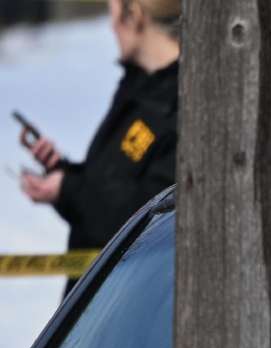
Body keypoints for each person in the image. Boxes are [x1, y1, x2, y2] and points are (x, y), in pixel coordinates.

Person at [18, 0, 180, 292]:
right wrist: (63, 172)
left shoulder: (182, 101)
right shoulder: (137, 87)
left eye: (114, 13)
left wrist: (68, 188)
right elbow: (111, 187)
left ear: (136, 16)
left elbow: (150, 221)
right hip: (104, 304)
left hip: (133, 305)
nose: (111, 25)